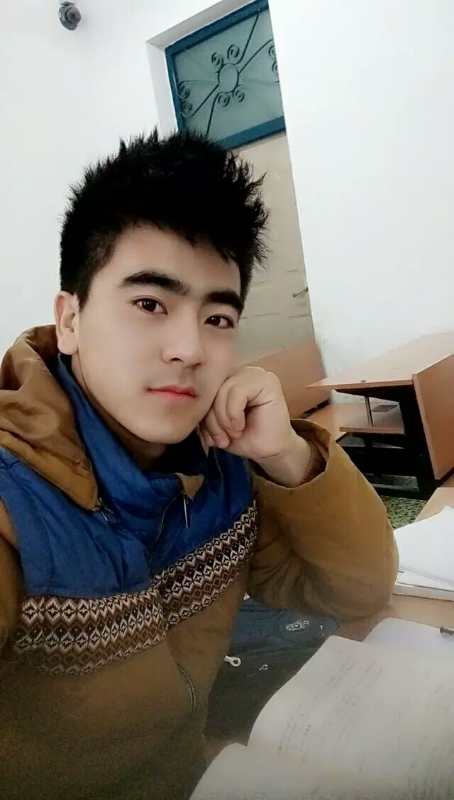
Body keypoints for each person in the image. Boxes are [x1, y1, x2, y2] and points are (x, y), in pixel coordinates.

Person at [0, 130, 397, 800]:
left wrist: (287, 454)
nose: (189, 349)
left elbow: (356, 592)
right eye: (150, 304)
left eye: (217, 318)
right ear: (69, 320)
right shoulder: (16, 506)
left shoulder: (218, 467)